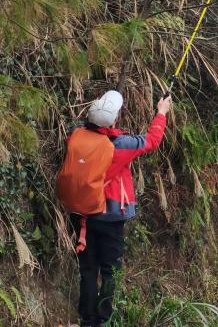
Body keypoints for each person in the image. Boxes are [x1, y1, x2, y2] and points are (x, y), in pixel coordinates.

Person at [69, 90, 171, 327]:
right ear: (114, 119)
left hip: (83, 214)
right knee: (110, 271)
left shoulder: (76, 136)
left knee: (88, 269)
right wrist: (161, 112)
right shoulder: (120, 145)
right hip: (111, 217)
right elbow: (152, 140)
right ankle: (103, 318)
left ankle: (87, 320)